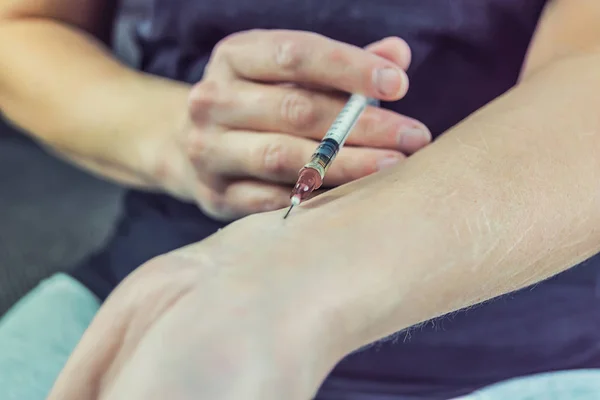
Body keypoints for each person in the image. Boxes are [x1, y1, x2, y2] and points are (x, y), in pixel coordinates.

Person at [1, 0, 600, 399]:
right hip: (157, 278)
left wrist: (315, 269)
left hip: (522, 345)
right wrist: (178, 139)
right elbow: (20, 25)